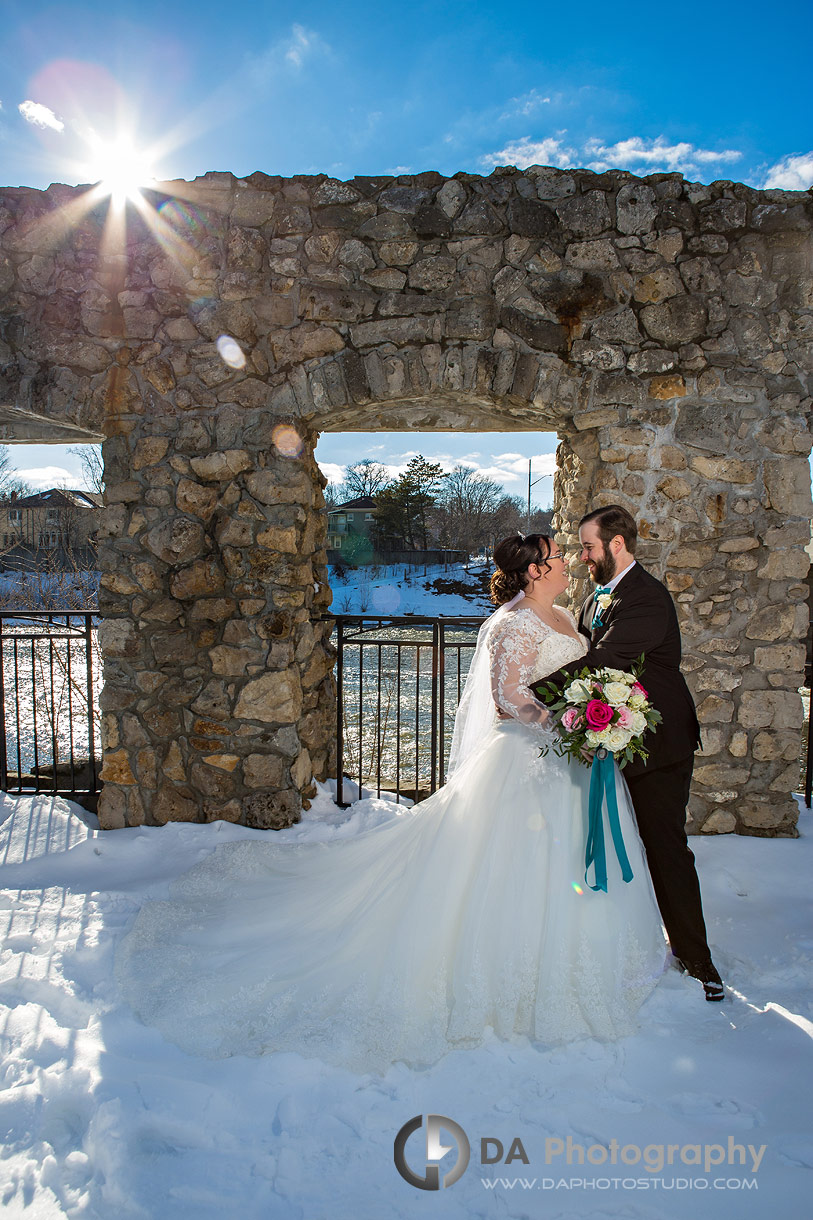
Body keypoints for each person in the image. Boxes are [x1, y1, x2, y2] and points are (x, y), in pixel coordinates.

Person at [115, 535, 667, 1075]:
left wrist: (595, 711)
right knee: (506, 866)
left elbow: (580, 674)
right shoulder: (514, 623)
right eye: (556, 558)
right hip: (526, 761)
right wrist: (562, 719)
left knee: (568, 858)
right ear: (534, 572)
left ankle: (579, 960)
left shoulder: (567, 617)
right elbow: (508, 697)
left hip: (570, 763)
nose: (567, 562)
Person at [530, 505, 723, 1002]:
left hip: (659, 745)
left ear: (617, 544)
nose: (583, 557)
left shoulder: (646, 599)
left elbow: (607, 658)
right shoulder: (603, 596)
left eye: (589, 547)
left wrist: (535, 695)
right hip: (617, 736)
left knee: (664, 847)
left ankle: (697, 959)